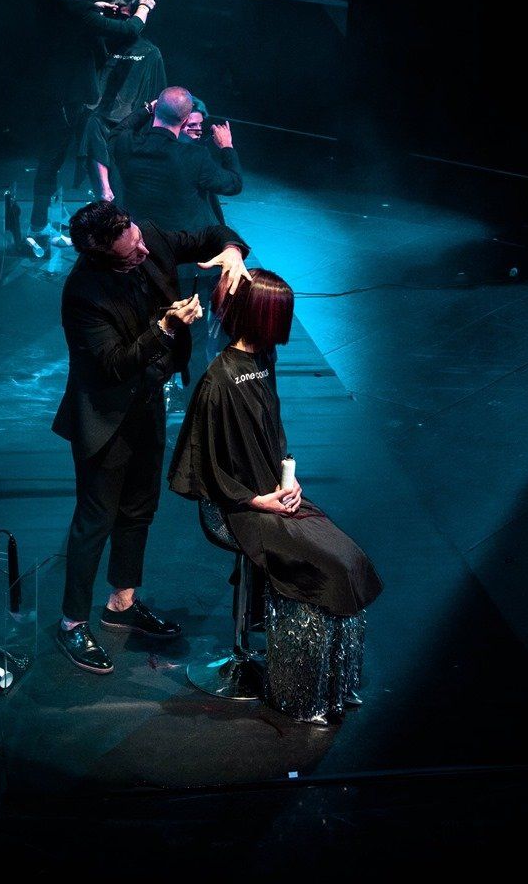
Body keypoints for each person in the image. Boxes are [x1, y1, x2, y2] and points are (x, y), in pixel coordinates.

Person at [168, 270, 383, 724]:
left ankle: (334, 683)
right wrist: (254, 500)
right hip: (237, 509)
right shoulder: (218, 381)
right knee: (332, 564)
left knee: (350, 557)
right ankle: (304, 692)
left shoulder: (264, 358)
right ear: (266, 315)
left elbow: (272, 429)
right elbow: (208, 467)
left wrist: (290, 476)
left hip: (273, 493)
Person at [52, 201, 250, 674]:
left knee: (140, 508)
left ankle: (121, 604)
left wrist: (232, 251)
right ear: (103, 257)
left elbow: (207, 234)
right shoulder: (83, 293)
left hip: (147, 403)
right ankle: (71, 624)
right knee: (96, 519)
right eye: (131, 253)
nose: (144, 250)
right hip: (106, 413)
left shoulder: (148, 234)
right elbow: (113, 364)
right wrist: (165, 328)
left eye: (140, 240)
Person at [29, 0, 157, 246]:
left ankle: (43, 221)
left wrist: (96, 6)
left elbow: (69, 4)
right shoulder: (81, 13)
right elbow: (128, 30)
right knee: (54, 157)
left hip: (50, 90)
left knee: (58, 157)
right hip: (67, 97)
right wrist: (144, 8)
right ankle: (40, 225)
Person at [109, 85, 243, 232]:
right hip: (178, 242)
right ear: (184, 122)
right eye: (192, 125)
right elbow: (234, 184)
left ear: (156, 111)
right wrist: (227, 146)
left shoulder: (128, 144)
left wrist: (147, 109)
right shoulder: (195, 157)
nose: (197, 131)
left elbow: (117, 131)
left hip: (137, 234)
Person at [78, 0, 168, 203]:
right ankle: (104, 192)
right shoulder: (103, 44)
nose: (120, 25)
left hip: (131, 120)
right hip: (100, 116)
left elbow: (158, 93)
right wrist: (96, 12)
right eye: (116, 18)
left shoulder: (150, 52)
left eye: (125, 19)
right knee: (92, 123)